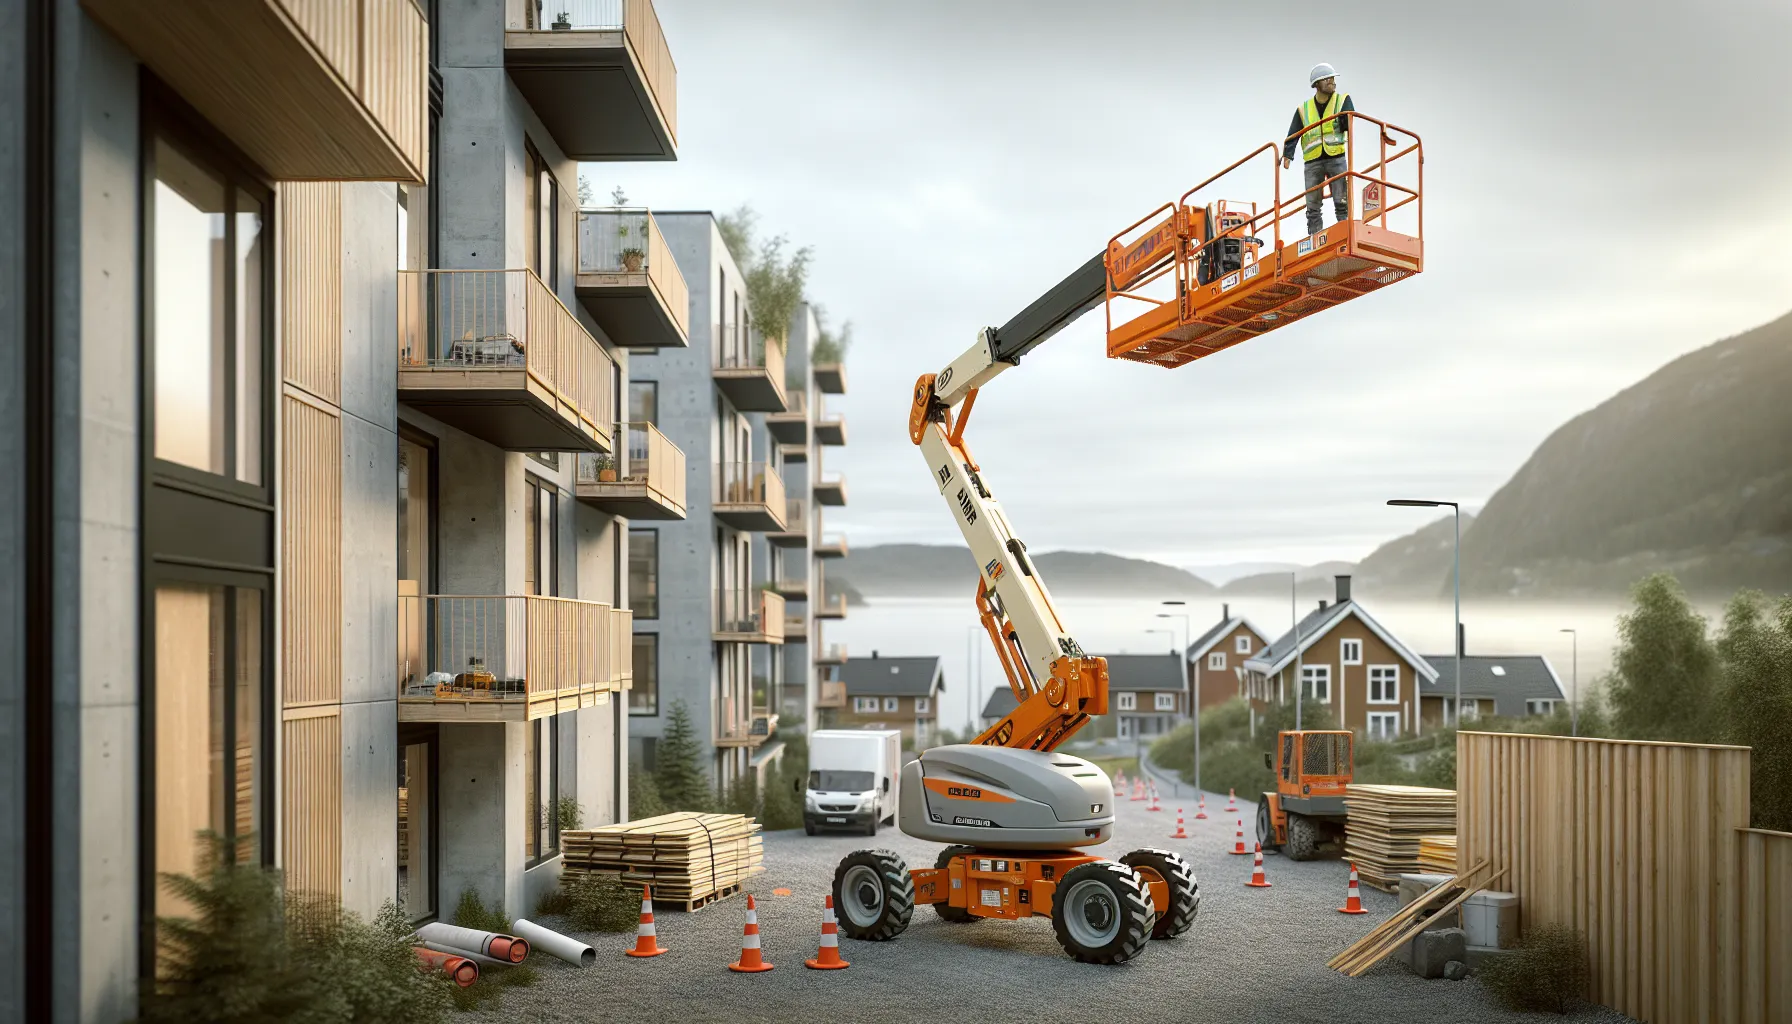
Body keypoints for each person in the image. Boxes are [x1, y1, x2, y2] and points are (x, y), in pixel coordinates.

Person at [1282, 63, 1354, 236]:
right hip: (1313, 162)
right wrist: (1287, 155)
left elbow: (1348, 122)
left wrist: (1346, 119)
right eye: (1327, 79)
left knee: (1341, 201)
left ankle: (1345, 234)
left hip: (1336, 157)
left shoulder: (1342, 100)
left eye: (1333, 79)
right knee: (1313, 206)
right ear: (1317, 84)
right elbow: (1293, 133)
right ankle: (1315, 239)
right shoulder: (1304, 109)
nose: (1332, 82)